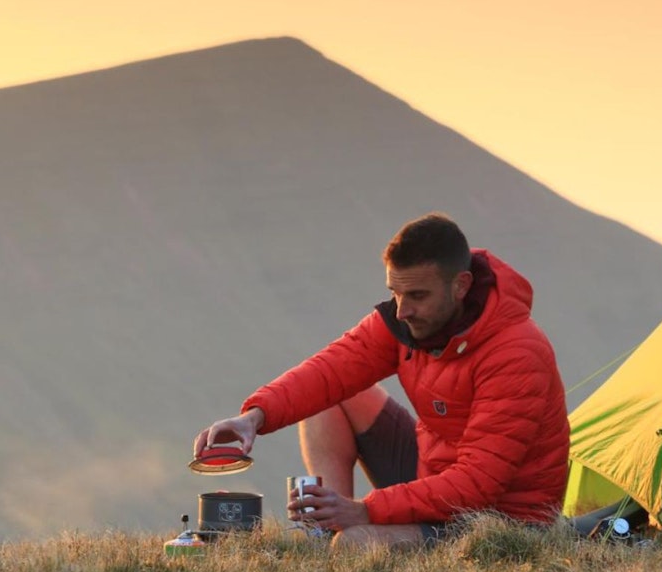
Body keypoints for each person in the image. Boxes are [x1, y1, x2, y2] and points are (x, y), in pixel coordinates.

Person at [193, 213, 570, 549]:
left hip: (500, 518)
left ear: (461, 285)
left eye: (418, 295)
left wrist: (365, 511)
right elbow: (330, 370)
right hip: (433, 475)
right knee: (333, 397)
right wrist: (254, 417)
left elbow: (478, 484)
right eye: (395, 292)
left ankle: (344, 528)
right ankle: (326, 530)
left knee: (358, 545)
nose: (403, 310)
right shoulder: (407, 322)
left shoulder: (516, 352)